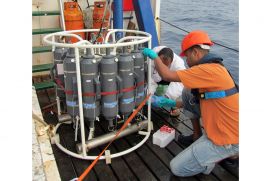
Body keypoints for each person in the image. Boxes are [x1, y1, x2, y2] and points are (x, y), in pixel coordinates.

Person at [143, 30, 239, 177]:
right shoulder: (215, 67)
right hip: (223, 126)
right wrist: (171, 103)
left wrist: (154, 57)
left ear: (195, 52)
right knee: (188, 92)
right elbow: (196, 98)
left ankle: (225, 156)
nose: (186, 61)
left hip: (228, 138)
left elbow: (167, 75)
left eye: (187, 56)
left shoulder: (206, 70)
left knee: (177, 168)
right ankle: (197, 136)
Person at [150, 46, 186, 116]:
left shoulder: (179, 64)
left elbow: (180, 83)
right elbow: (150, 78)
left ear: (171, 62)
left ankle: (174, 105)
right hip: (157, 78)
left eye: (165, 65)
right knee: (150, 92)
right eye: (160, 64)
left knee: (177, 90)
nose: (162, 67)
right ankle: (155, 96)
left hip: (169, 79)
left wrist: (166, 97)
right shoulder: (152, 58)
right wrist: (150, 95)